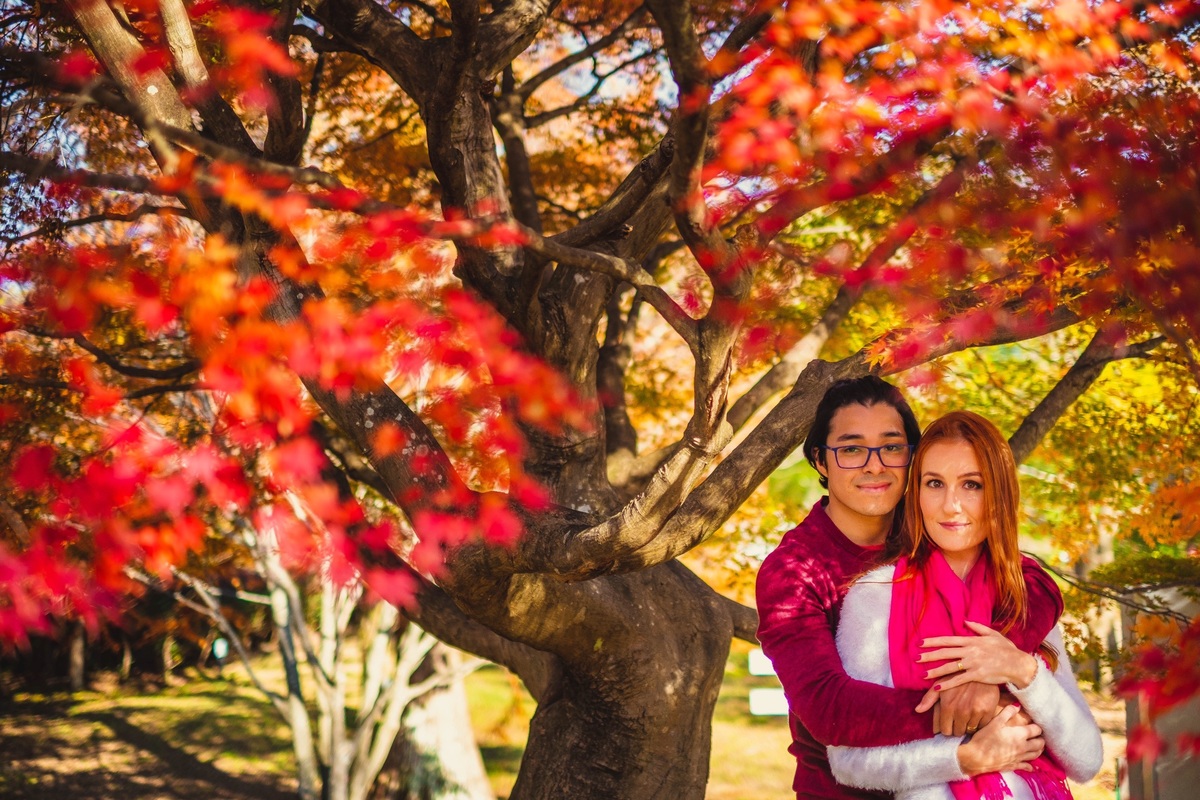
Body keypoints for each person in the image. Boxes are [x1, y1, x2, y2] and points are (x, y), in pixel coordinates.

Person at [757, 377, 1064, 800]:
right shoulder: (793, 571)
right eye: (850, 449)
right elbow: (829, 708)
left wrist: (988, 666)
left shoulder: (931, 521)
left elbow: (1036, 583)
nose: (874, 465)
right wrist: (963, 706)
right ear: (820, 461)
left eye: (891, 446)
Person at [827, 411, 1103, 799]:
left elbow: (1087, 759)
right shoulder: (876, 597)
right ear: (916, 494)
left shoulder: (1024, 597)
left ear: (999, 494)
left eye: (972, 485)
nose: (951, 506)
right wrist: (965, 757)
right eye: (934, 483)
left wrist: (1021, 670)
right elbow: (848, 761)